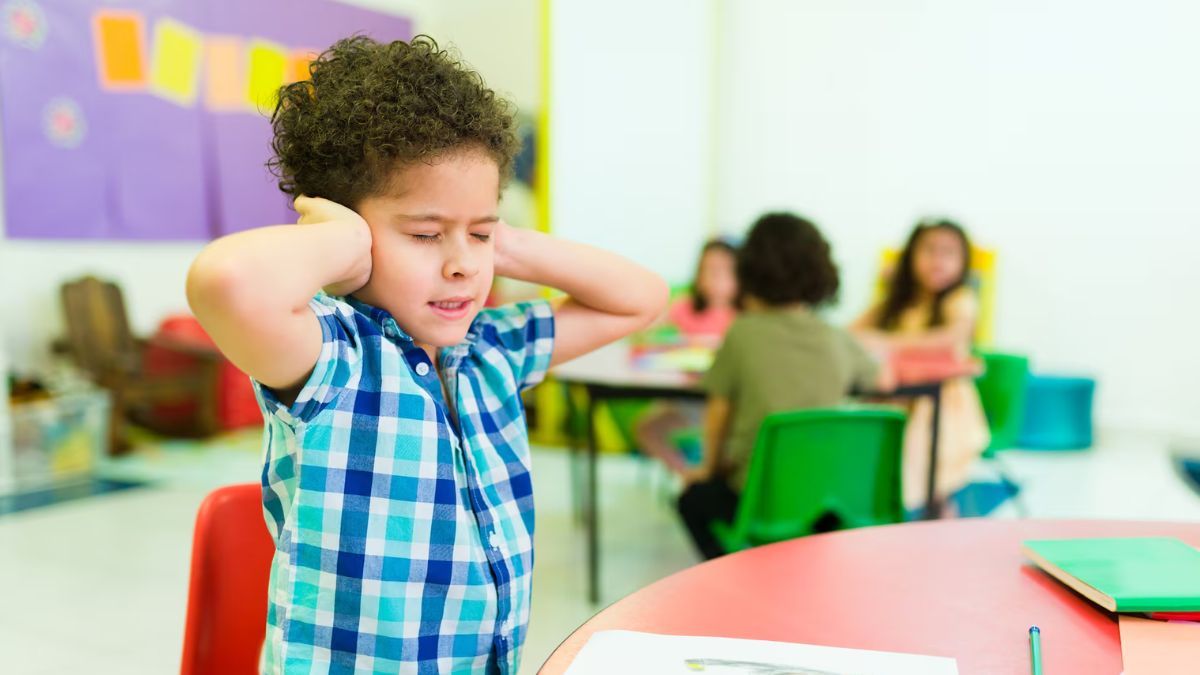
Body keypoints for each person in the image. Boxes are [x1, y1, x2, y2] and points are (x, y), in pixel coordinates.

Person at [186, 36, 668, 673]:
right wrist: (343, 241)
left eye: (481, 233)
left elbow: (641, 299)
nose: (462, 265)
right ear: (350, 234)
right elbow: (227, 282)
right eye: (424, 234)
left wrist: (505, 243)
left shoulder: (491, 351)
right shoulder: (331, 356)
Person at [678, 212, 886, 560]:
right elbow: (882, 380)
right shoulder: (834, 336)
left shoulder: (742, 334)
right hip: (830, 503)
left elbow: (718, 415)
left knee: (692, 500)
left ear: (748, 270)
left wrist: (709, 469)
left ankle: (733, 572)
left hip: (759, 500)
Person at [852, 218, 990, 512]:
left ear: (963, 262)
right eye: (929, 250)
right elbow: (852, 332)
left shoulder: (960, 300)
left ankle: (931, 510)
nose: (937, 261)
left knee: (924, 449)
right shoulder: (896, 302)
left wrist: (887, 342)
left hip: (944, 404)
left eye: (948, 253)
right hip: (896, 398)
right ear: (910, 256)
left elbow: (952, 337)